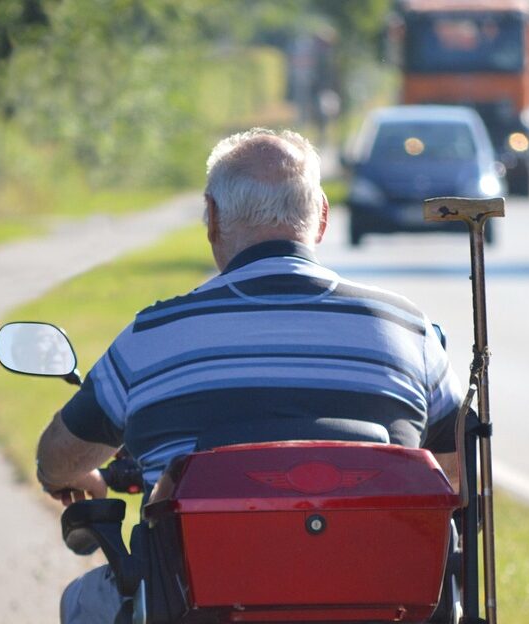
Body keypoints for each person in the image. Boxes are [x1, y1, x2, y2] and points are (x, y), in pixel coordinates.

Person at [35, 128, 464, 624]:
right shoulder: (407, 329)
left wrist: (77, 475)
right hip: (383, 610)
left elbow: (57, 457)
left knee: (82, 601)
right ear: (322, 216)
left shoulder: (151, 336)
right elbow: (458, 475)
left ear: (212, 219)